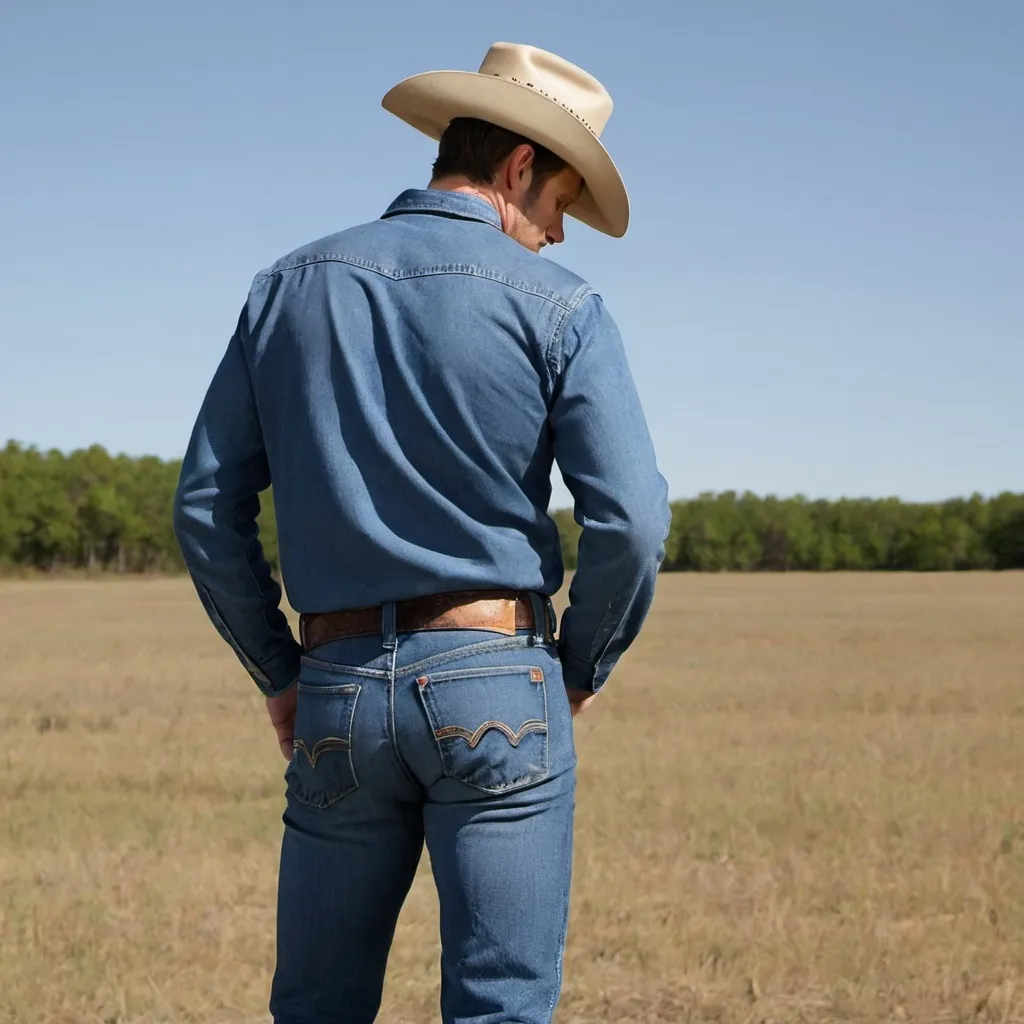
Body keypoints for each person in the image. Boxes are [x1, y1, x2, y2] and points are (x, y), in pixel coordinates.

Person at [173, 40, 670, 1024]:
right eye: (564, 203)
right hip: (499, 677)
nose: (559, 235)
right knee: (498, 1008)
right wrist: (579, 664)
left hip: (337, 688)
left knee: (315, 1007)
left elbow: (204, 506)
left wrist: (280, 671)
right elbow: (632, 516)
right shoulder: (560, 308)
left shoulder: (286, 285)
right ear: (519, 166)